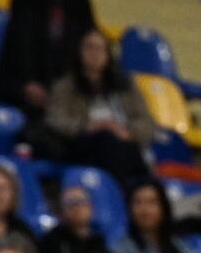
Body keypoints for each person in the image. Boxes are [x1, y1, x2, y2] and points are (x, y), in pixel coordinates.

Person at [37, 28, 154, 189]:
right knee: (108, 139)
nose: (95, 53)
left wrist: (127, 131)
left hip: (122, 144)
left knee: (123, 146)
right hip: (81, 145)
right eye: (89, 47)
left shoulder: (126, 86)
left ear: (108, 55)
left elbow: (147, 123)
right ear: (79, 52)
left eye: (100, 48)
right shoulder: (65, 86)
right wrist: (88, 126)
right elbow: (55, 120)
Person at [36, 180, 106, 253]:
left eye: (81, 202)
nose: (76, 207)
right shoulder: (50, 241)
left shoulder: (98, 241)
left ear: (91, 208)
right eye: (70, 203)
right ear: (61, 209)